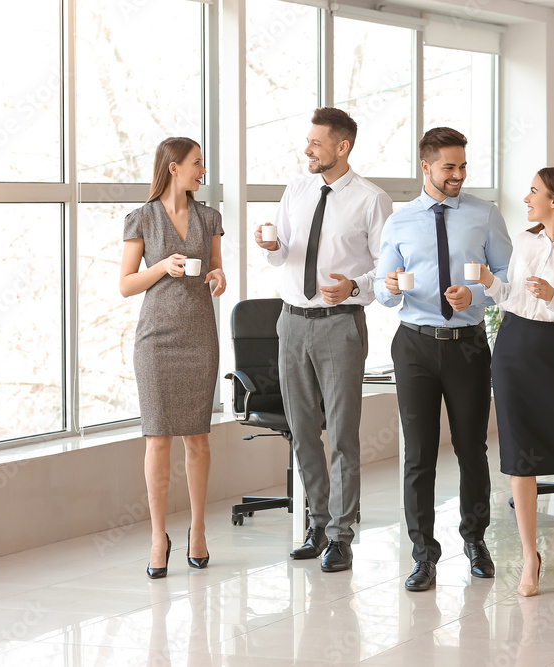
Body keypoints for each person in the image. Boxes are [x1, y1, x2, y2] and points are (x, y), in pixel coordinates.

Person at [254, 107, 392, 572]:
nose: (307, 149)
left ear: (342, 147)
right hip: (291, 321)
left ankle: (341, 535)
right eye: (308, 142)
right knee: (302, 432)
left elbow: (385, 270)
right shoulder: (297, 188)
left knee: (343, 435)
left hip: (340, 323)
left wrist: (354, 287)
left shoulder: (372, 200)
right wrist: (273, 248)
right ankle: (316, 522)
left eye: (316, 143)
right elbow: (286, 251)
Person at [375, 127, 512, 592]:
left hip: (468, 343)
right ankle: (423, 554)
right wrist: (389, 287)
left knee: (472, 448)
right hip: (413, 343)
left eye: (462, 166)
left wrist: (473, 291)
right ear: (426, 167)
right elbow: (380, 287)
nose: (458, 175)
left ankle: (475, 541)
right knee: (418, 454)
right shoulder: (399, 222)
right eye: (449, 167)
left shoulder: (484, 214)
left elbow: (507, 277)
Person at [473, 167, 554, 597]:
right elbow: (511, 297)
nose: (527, 198)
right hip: (512, 348)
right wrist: (491, 283)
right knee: (517, 457)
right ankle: (530, 557)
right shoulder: (525, 241)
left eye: (534, 192)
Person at [119, 137, 227, 578]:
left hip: (199, 336)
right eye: (197, 162)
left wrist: (218, 276)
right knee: (157, 438)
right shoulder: (141, 218)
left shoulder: (209, 217)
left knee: (197, 438)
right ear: (174, 167)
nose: (203, 169)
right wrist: (163, 266)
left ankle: (198, 531)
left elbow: (218, 267)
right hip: (156, 341)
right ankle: (157, 536)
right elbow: (126, 284)